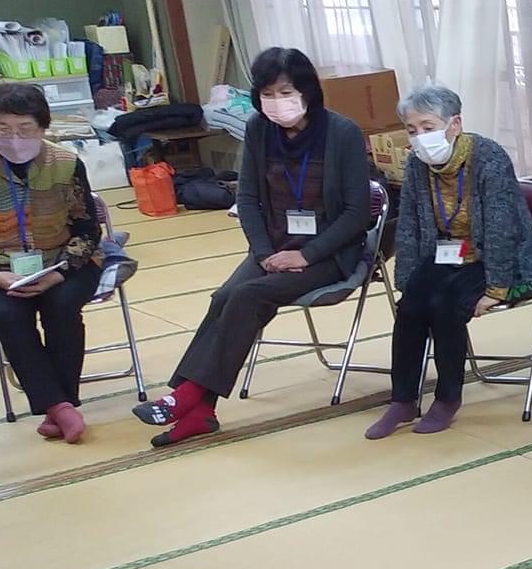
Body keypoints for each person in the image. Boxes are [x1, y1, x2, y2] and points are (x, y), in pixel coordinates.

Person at [131, 47, 372, 446]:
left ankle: (187, 396)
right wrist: (263, 253)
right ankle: (201, 411)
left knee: (247, 296)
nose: (277, 102)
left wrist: (306, 254)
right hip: (273, 247)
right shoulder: (260, 129)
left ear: (308, 90)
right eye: (268, 93)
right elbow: (246, 199)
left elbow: (356, 213)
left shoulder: (341, 132)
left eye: (286, 92)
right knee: (224, 296)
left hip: (328, 253)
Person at [364, 83, 532, 440]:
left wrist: (497, 288)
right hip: (446, 253)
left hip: (495, 258)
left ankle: (448, 398)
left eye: (428, 127)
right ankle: (403, 400)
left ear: (455, 124)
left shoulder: (488, 157)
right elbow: (410, 224)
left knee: (445, 306)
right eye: (412, 130)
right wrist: (408, 279)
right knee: (411, 308)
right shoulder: (417, 163)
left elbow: (501, 227)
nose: (420, 137)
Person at [0, 83, 103, 442]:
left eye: (25, 129)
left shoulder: (66, 163)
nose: (14, 138)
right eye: (2, 128)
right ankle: (61, 407)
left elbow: (87, 229)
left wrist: (59, 271)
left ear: (42, 127)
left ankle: (57, 407)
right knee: (8, 313)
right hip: (2, 267)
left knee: (62, 306)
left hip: (66, 261)